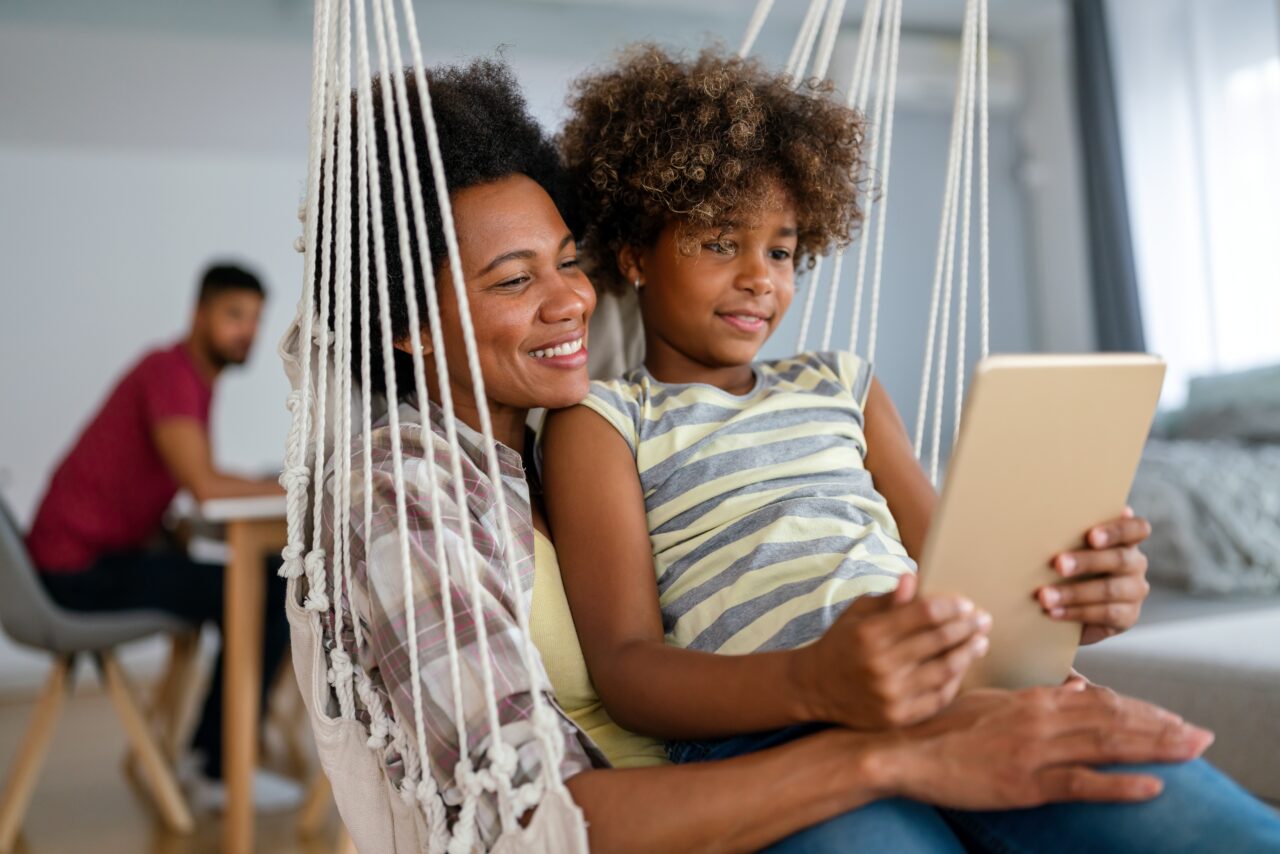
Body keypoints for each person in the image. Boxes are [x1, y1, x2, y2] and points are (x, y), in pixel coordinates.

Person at [310, 59, 1277, 854]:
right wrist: (836, 695)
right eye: (516, 280)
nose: (568, 302)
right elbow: (608, 696)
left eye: (566, 263)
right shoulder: (561, 435)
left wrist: (1070, 596)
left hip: (951, 690)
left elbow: (964, 576)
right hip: (772, 724)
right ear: (640, 253)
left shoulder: (836, 384)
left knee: (1209, 822)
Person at [26, 263, 296, 808]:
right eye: (233, 315)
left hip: (89, 562)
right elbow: (203, 483)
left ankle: (212, 756)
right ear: (198, 314)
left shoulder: (186, 378)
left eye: (255, 319)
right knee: (271, 590)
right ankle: (215, 768)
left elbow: (188, 485)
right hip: (76, 573)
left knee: (264, 582)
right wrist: (299, 490)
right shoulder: (171, 374)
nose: (247, 330)